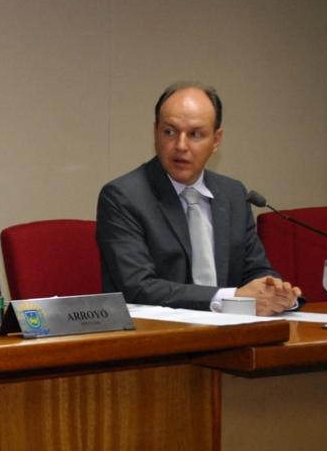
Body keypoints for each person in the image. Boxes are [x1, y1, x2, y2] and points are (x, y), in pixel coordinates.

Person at [96, 81, 301, 315]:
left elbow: (256, 271)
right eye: (169, 132)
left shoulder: (233, 194)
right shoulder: (124, 196)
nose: (181, 146)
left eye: (195, 134)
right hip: (159, 332)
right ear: (155, 132)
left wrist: (277, 293)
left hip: (232, 331)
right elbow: (138, 287)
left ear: (216, 140)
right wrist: (231, 298)